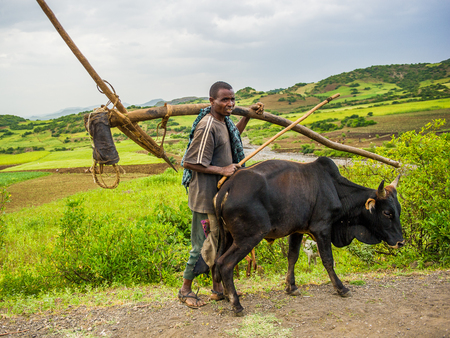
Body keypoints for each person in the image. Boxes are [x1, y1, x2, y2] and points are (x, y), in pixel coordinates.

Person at [178, 81, 262, 308]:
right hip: (205, 197)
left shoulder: (223, 122)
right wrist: (223, 169)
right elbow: (190, 162)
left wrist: (248, 117)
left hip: (220, 198)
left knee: (220, 242)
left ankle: (217, 289)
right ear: (211, 101)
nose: (230, 103)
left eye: (233, 99)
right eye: (224, 99)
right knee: (203, 245)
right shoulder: (207, 126)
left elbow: (232, 136)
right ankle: (185, 290)